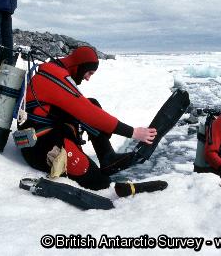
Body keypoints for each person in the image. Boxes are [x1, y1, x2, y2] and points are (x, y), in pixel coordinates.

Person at [17, 46, 157, 191]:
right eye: (89, 72)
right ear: (79, 65)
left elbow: (86, 107)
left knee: (92, 102)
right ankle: (109, 183)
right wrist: (133, 132)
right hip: (39, 148)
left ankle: (107, 157)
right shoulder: (54, 76)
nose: (88, 78)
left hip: (47, 134)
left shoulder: (55, 70)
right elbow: (88, 112)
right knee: (100, 183)